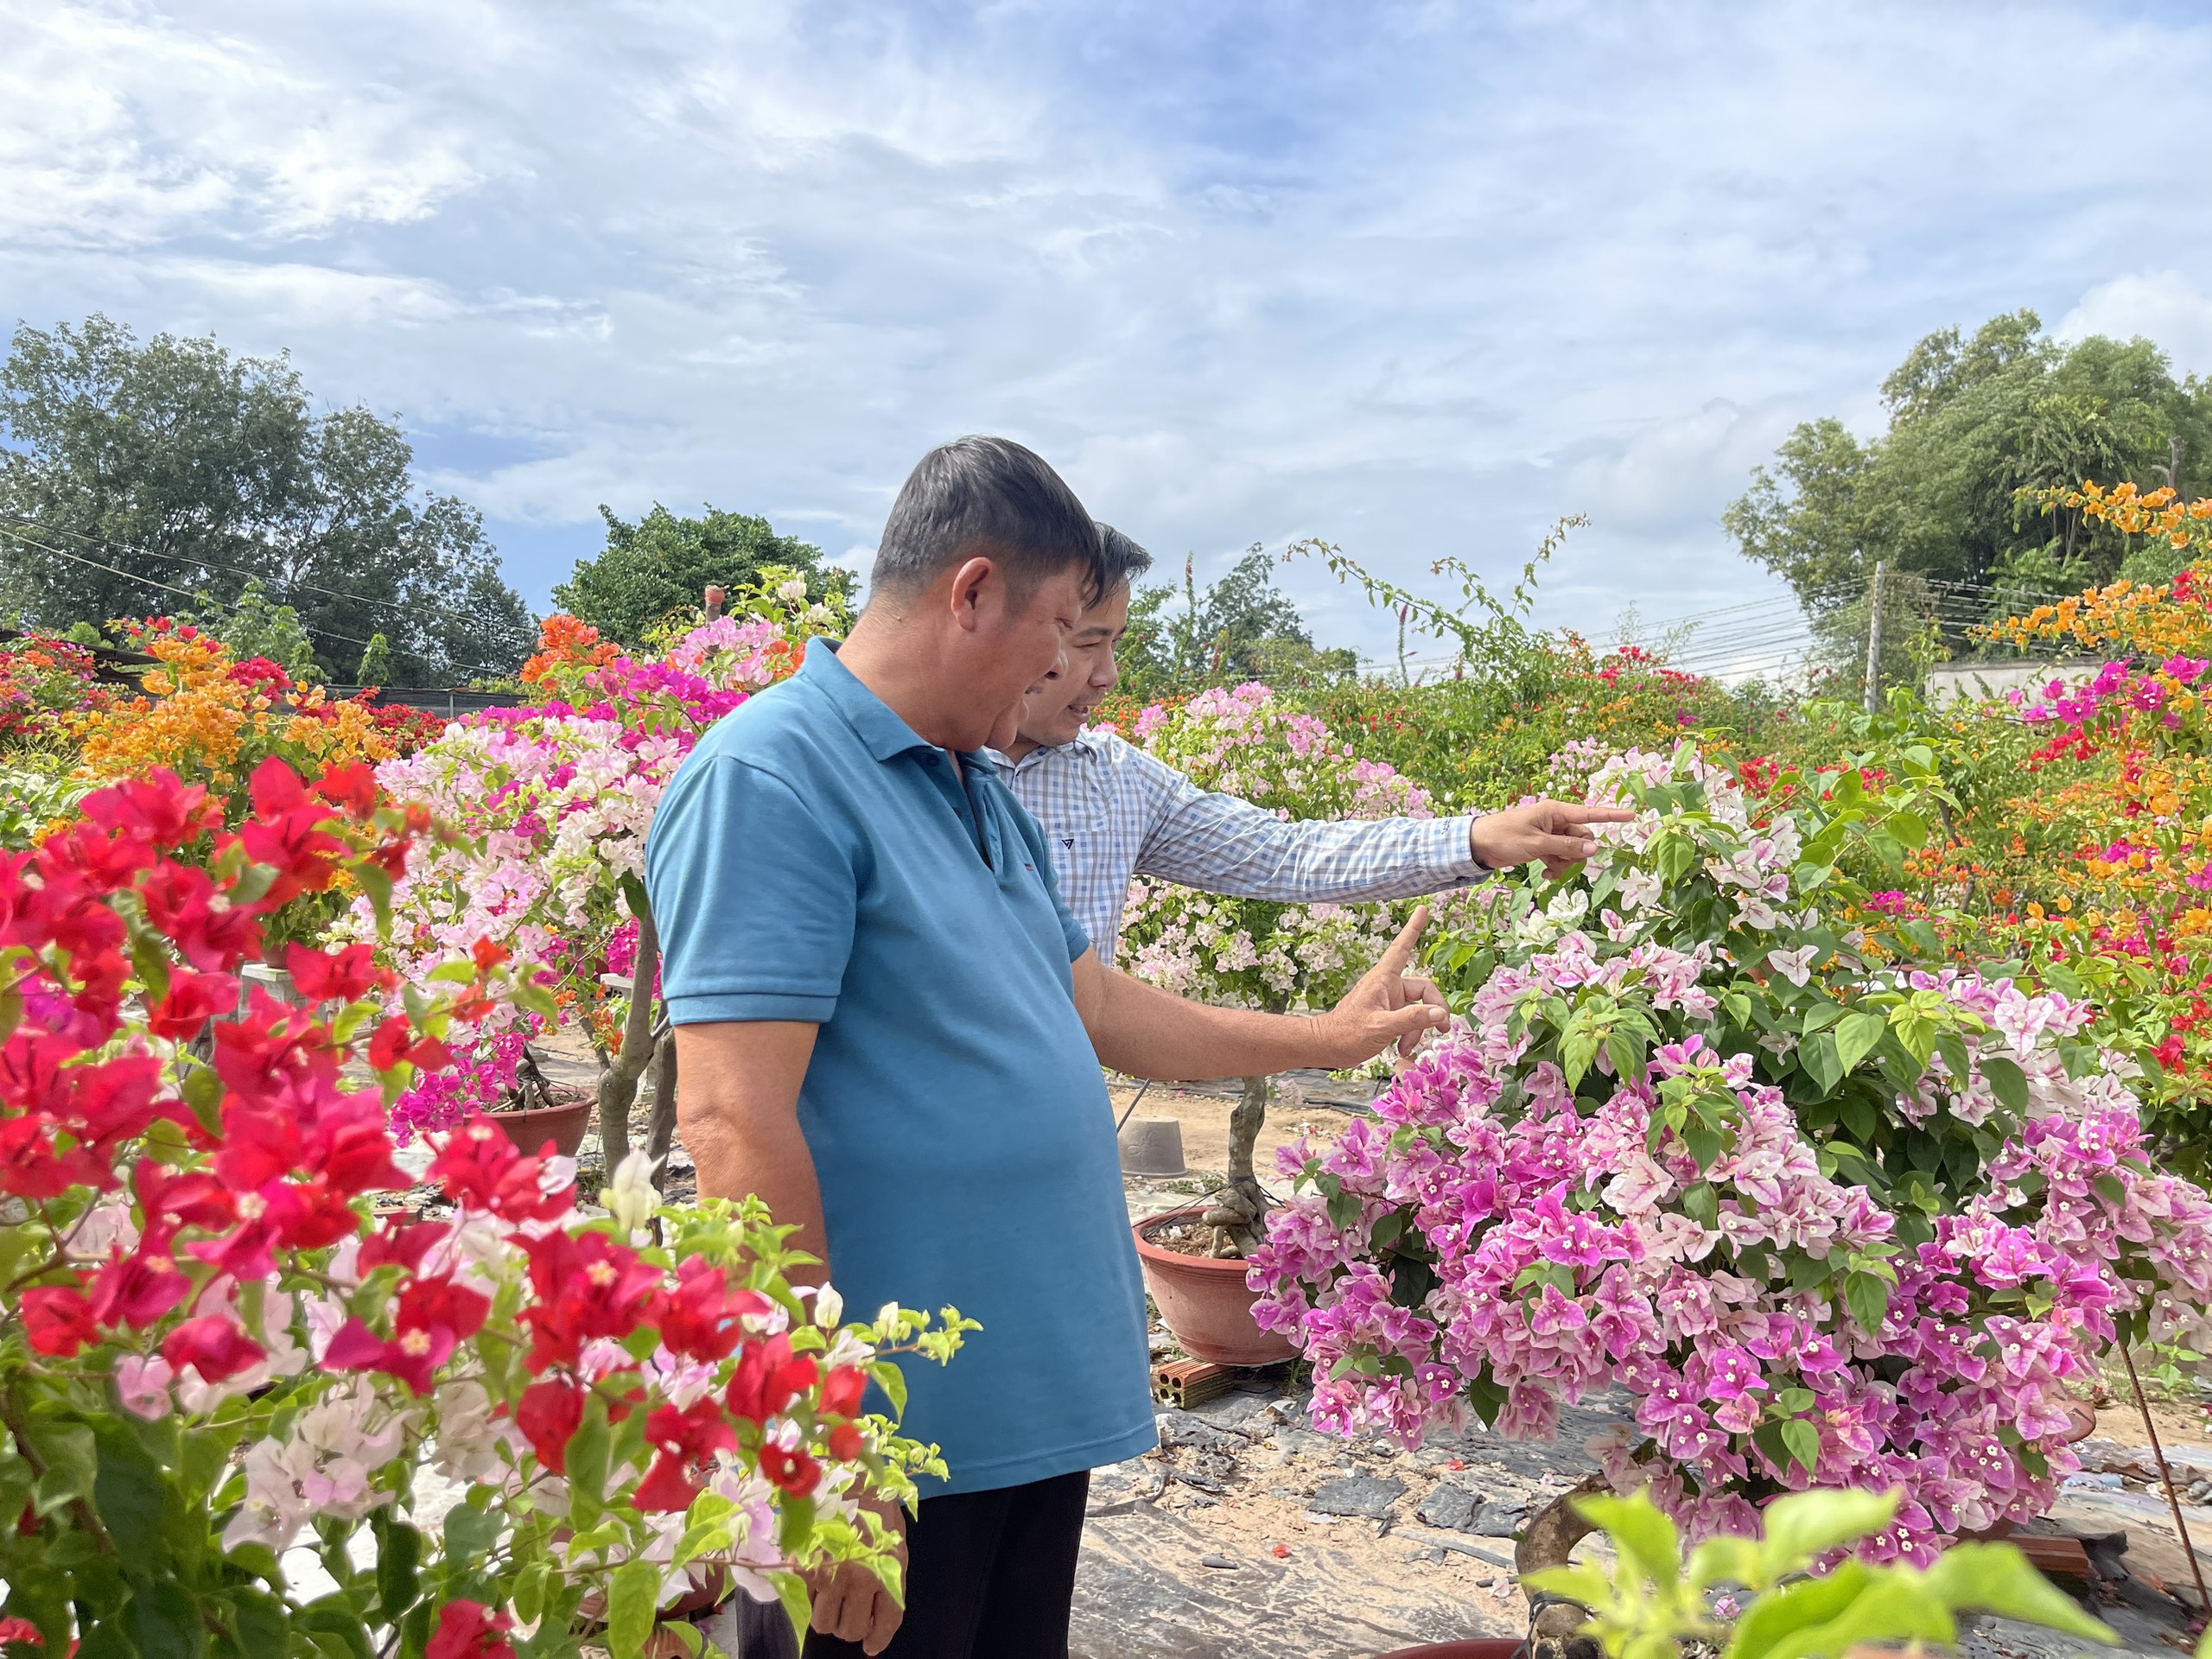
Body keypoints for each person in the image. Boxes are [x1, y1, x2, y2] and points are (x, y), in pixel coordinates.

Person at [645, 436, 1453, 1659]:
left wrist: (1329, 1038)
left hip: (1020, 1412)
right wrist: (820, 1442)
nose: (1073, 668)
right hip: (896, 1439)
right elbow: (730, 1121)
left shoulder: (973, 786)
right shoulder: (773, 777)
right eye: (1066, 629)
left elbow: (1095, 1008)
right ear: (972, 593)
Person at [995, 524, 1630, 967]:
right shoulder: (939, 770)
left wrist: (1475, 838)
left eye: (1116, 644)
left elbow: (1288, 855)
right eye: (1088, 643)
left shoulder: (1118, 782)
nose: (1107, 676)